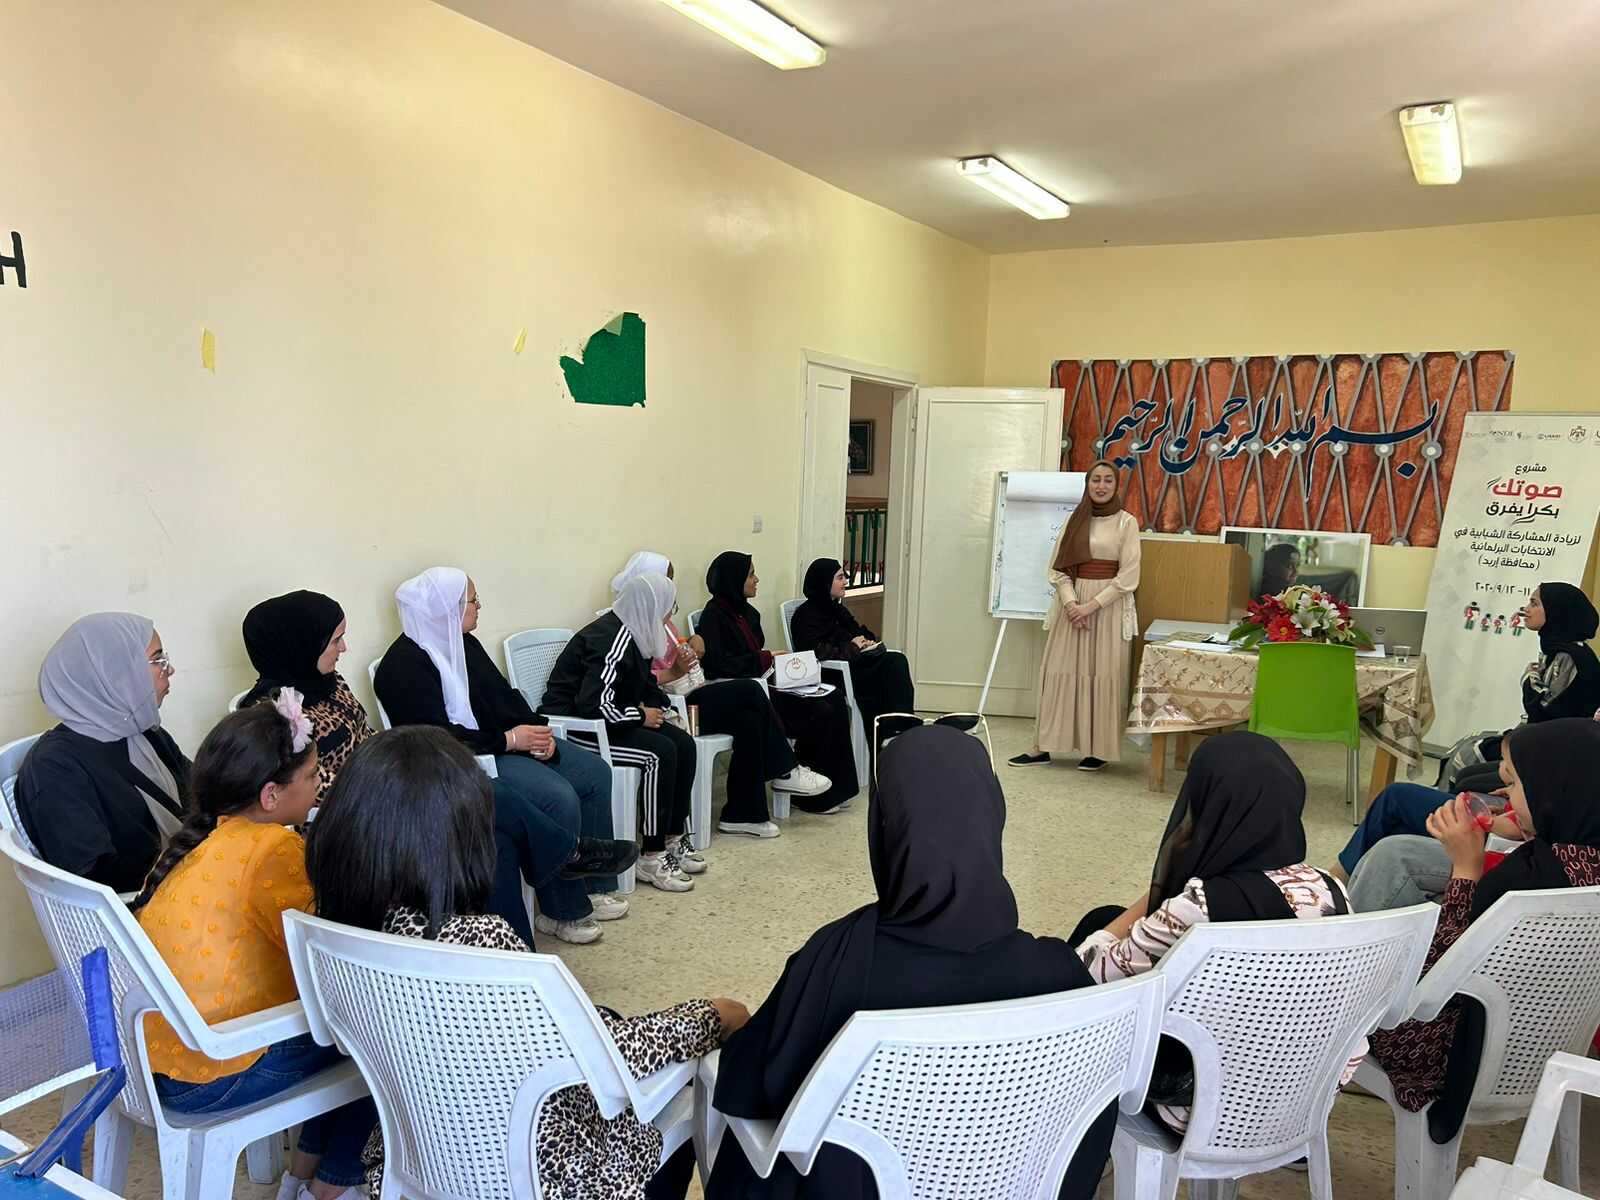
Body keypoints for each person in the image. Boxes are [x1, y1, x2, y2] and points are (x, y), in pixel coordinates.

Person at [304, 727, 749, 1200]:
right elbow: (601, 1055)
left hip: (420, 1164)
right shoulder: (478, 946)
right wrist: (709, 1016)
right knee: (696, 1071)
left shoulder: (335, 936)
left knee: (609, 1020)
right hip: (542, 1179)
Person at [705, 725, 1115, 1200]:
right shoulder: (1061, 975)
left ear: (885, 826)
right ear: (993, 817)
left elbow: (750, 1087)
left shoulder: (838, 963)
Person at [132, 692, 377, 1200]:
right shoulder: (273, 848)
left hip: (155, 1061)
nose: (320, 783)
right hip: (211, 1071)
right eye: (311, 776)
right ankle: (333, 1187)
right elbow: (328, 959)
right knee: (383, 1034)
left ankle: (301, 1176)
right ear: (270, 795)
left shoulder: (200, 842)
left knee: (345, 1028)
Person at [1071, 731, 1359, 1133]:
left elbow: (1087, 974)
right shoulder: (1331, 890)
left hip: (1201, 1111)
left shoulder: (1198, 907)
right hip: (1298, 1100)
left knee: (1095, 936)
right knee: (1108, 917)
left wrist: (1158, 893)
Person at [1364, 719, 1600, 1143]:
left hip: (1450, 1056)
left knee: (1345, 971)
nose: (1506, 796)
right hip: (1542, 1052)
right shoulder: (1579, 867)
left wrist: (1465, 869)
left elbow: (1440, 975)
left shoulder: (1526, 883)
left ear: (1553, 791)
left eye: (1516, 785)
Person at [374, 567, 631, 945]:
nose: (479, 607)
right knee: (557, 796)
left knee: (594, 773)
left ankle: (594, 885)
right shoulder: (401, 666)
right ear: (447, 608)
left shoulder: (466, 644)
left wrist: (538, 733)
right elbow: (436, 739)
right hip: (472, 759)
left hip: (506, 742)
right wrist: (510, 740)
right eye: (472, 600)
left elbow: (505, 697)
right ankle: (562, 910)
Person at [610, 551, 829, 839]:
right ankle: (785, 770)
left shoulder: (664, 621)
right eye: (664, 581)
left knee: (750, 720)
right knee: (751, 691)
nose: (670, 590)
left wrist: (692, 643)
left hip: (693, 690)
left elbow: (680, 653)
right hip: (674, 704)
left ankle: (742, 815)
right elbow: (642, 680)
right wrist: (676, 670)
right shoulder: (627, 627)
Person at [542, 573, 703, 891]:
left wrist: (661, 705)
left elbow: (638, 683)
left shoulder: (636, 632)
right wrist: (639, 715)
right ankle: (652, 854)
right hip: (579, 728)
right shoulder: (610, 639)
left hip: (610, 721)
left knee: (683, 744)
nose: (669, 616)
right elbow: (593, 705)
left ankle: (672, 835)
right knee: (659, 754)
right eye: (668, 608)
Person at [15, 613, 188, 892]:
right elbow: (94, 878)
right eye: (158, 660)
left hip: (189, 878)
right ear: (114, 674)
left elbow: (204, 793)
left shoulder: (143, 731)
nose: (170, 669)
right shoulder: (54, 767)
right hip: (144, 905)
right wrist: (194, 866)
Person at [697, 551, 859, 813]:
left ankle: (835, 791)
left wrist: (770, 661)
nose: (756, 580)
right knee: (819, 711)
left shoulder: (748, 613)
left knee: (834, 699)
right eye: (751, 574)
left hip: (764, 684)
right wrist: (765, 658)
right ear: (734, 580)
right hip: (746, 693)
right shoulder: (713, 616)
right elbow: (718, 664)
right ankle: (807, 795)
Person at [1010, 460, 1141, 772]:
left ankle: (1098, 750)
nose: (1101, 486)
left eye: (1108, 480)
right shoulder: (1075, 520)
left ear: (1116, 485)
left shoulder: (1126, 523)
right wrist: (1072, 604)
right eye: (1096, 479)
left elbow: (1129, 576)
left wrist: (1090, 606)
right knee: (1058, 671)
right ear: (1087, 484)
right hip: (1071, 607)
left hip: (1106, 609)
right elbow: (1057, 569)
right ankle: (1042, 746)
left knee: (1102, 675)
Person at [1437, 582, 1600, 794]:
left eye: (1534, 603)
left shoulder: (1570, 657)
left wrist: (1529, 677)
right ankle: (1444, 807)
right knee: (1466, 747)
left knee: (1467, 767)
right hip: (1544, 737)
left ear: (1556, 612)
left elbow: (1544, 709)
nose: (1526, 609)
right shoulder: (1560, 650)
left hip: (1555, 749)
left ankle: (1449, 807)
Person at [239, 590, 371, 803]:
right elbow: (310, 786)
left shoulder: (329, 680)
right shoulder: (273, 716)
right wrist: (383, 788)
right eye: (336, 640)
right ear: (302, 645)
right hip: (344, 808)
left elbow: (364, 732)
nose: (343, 648)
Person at [789, 557, 915, 744]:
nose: (845, 582)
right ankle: (890, 732)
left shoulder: (836, 609)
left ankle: (900, 728)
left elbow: (856, 630)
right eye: (840, 578)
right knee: (891, 668)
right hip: (833, 673)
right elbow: (817, 652)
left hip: (854, 663)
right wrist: (853, 646)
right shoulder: (805, 616)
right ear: (825, 582)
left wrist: (865, 641)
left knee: (895, 660)